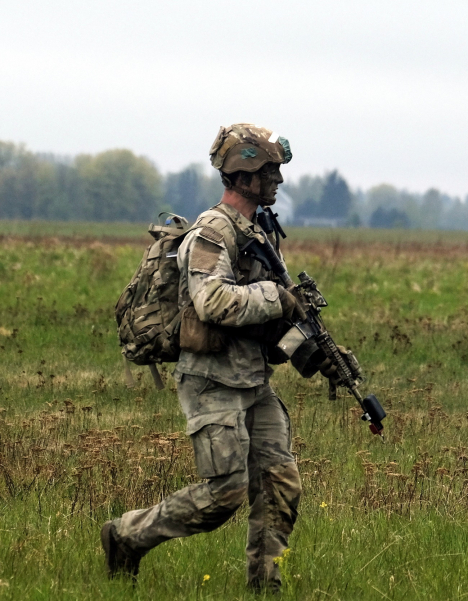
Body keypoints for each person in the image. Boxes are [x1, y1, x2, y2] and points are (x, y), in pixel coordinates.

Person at [102, 123, 329, 593]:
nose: (278, 181)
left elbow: (266, 319)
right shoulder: (212, 232)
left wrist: (315, 349)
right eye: (269, 171)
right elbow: (213, 303)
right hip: (212, 381)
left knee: (280, 485)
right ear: (244, 174)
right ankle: (126, 535)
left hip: (253, 379)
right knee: (223, 495)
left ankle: (264, 583)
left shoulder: (260, 232)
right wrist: (277, 296)